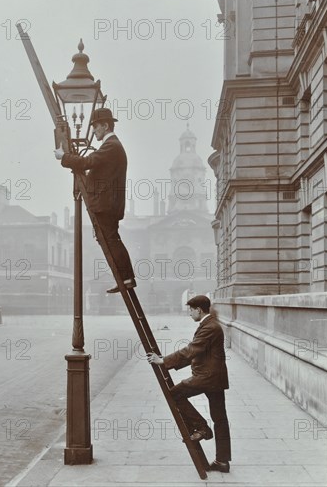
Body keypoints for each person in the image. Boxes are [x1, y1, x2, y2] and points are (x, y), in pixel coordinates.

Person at [54, 107, 136, 294]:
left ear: (105, 126)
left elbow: (87, 162)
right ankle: (124, 278)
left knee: (111, 241)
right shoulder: (113, 146)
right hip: (109, 204)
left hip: (106, 205)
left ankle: (126, 277)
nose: (94, 131)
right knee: (110, 240)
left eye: (96, 127)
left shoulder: (111, 146)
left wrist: (64, 157)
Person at [147, 295, 231, 473]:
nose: (189, 314)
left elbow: (191, 349)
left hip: (206, 377)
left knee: (174, 394)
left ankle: (202, 428)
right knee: (220, 419)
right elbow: (197, 352)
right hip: (215, 378)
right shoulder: (211, 325)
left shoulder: (210, 327)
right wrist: (169, 363)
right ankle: (222, 461)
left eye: (190, 310)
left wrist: (163, 361)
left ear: (199, 310)